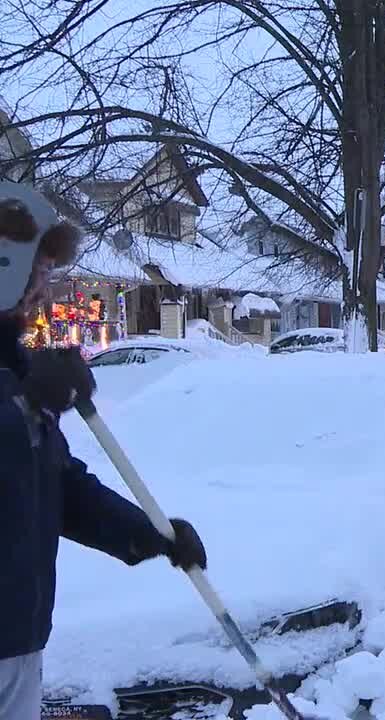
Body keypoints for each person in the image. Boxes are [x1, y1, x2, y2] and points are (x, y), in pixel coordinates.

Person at [0, 183, 208, 720]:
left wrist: (150, 533)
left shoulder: (17, 371)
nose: (46, 293)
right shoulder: (18, 387)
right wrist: (25, 402)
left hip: (19, 640)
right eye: (41, 274)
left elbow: (60, 486)